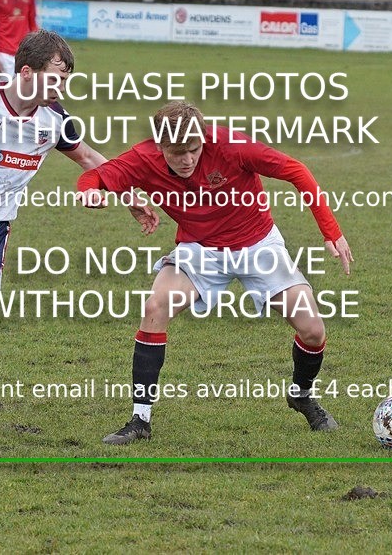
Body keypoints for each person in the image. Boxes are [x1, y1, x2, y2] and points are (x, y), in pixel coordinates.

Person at [0, 29, 157, 449]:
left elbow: (90, 158)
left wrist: (129, 198)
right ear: (26, 72)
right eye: (55, 78)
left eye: (65, 80)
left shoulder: (53, 121)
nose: (60, 88)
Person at [77, 101, 354, 445]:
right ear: (159, 145)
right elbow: (94, 176)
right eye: (177, 153)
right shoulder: (142, 157)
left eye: (194, 150)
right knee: (154, 307)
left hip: (258, 245)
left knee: (312, 330)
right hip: (200, 249)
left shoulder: (231, 146)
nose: (188, 160)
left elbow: (296, 170)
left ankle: (301, 396)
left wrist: (331, 231)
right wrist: (88, 193)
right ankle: (140, 420)